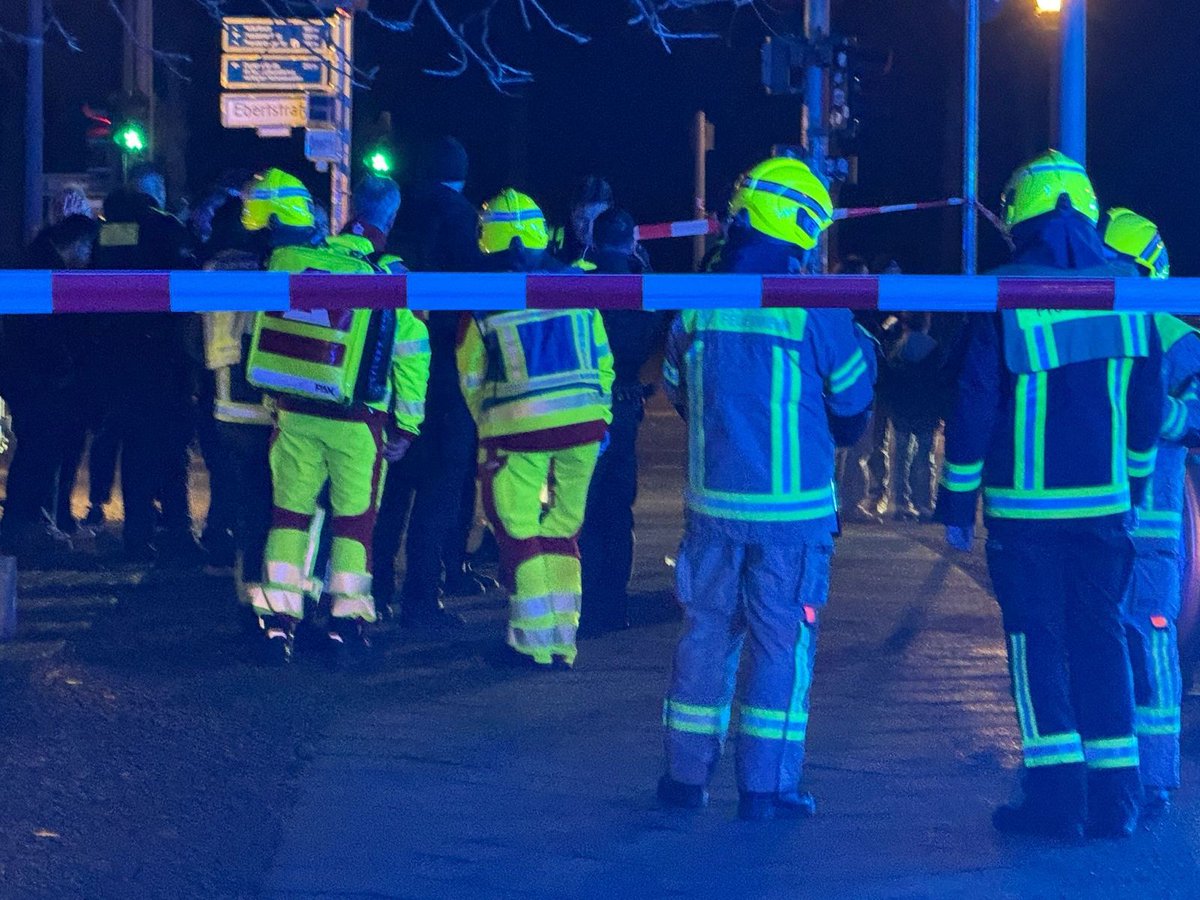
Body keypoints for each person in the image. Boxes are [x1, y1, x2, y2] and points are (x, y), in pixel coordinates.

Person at [937, 151, 1164, 840]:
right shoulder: (1130, 287)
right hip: (1104, 509)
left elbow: (975, 400)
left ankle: (1056, 800)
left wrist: (956, 502)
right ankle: (1117, 800)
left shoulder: (1003, 291)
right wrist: (1135, 479)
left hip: (1025, 513)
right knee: (1100, 643)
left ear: (1021, 216)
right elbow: (1146, 401)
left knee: (1038, 645)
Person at [658, 157, 875, 821]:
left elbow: (678, 391)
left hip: (712, 510)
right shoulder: (816, 306)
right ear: (804, 225)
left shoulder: (698, 301)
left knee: (703, 641)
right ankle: (766, 788)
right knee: (781, 649)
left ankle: (683, 780)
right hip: (793, 518)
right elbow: (852, 407)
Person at [241, 168, 431, 665]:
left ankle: (279, 622)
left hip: (295, 412)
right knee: (354, 526)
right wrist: (408, 425)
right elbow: (411, 354)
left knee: (289, 518)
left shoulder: (296, 260)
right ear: (390, 217)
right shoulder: (390, 274)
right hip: (357, 424)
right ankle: (345, 628)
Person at [458, 188, 614, 669]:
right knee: (564, 527)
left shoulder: (485, 301)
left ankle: (529, 643)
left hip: (518, 429)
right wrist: (602, 417)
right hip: (586, 426)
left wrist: (488, 425)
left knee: (516, 527)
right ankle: (561, 642)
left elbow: (470, 377)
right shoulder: (579, 288)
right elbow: (604, 360)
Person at [1101, 207, 1194, 818]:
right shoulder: (1108, 325)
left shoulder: (1178, 338)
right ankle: (1119, 770)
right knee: (1115, 646)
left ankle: (1155, 773)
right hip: (1108, 522)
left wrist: (1151, 415)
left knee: (1147, 645)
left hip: (1148, 527)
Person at [380, 137, 494, 627]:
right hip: (444, 373)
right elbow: (477, 291)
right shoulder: (462, 216)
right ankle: (421, 600)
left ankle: (375, 586)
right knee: (438, 493)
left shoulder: (400, 211)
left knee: (391, 489)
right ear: (462, 175)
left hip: (390, 369)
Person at [88, 183, 201, 563]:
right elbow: (189, 283)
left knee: (135, 449)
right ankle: (177, 531)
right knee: (171, 448)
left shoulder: (108, 233)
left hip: (119, 359)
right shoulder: (165, 228)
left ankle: (137, 534)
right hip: (163, 358)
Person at [578, 208, 667, 635]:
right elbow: (656, 336)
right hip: (625, 405)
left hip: (579, 407)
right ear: (632, 239)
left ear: (594, 239)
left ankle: (578, 602)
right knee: (617, 510)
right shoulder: (642, 286)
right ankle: (612, 606)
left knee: (579, 508)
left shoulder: (575, 278)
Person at [0, 215, 99, 560]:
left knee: (38, 450)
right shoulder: (44, 270)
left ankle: (28, 522)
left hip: (32, 376)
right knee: (39, 451)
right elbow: (39, 330)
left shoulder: (37, 261)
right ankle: (23, 525)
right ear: (74, 243)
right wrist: (64, 366)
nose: (88, 258)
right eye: (87, 248)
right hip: (38, 379)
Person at [199, 197, 274, 627]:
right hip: (265, 408)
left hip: (225, 406)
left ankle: (245, 595)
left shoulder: (212, 271)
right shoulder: (269, 270)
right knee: (271, 508)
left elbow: (194, 341)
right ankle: (269, 597)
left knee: (238, 502)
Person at [883, 311, 942, 521]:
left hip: (902, 410)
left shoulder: (897, 349)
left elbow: (889, 381)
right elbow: (939, 383)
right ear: (926, 322)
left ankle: (899, 503)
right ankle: (925, 504)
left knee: (900, 457)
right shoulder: (935, 348)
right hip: (926, 411)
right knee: (925, 458)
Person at [550, 175, 613, 267]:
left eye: (599, 220)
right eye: (582, 219)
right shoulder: (550, 239)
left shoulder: (624, 247)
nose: (590, 229)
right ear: (572, 212)